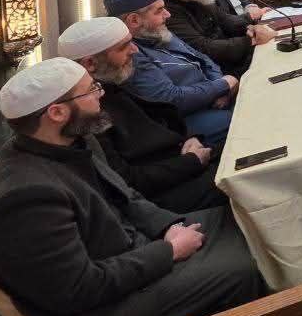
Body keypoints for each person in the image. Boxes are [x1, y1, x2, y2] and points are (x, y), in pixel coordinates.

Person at [0, 59, 264, 316]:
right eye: (91, 90)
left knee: (244, 217)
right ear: (57, 113)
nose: (101, 94)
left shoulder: (75, 139)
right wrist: (168, 251)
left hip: (133, 250)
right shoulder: (26, 196)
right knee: (244, 267)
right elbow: (78, 289)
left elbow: (127, 197)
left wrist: (168, 226)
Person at [57, 18, 225, 214]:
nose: (135, 50)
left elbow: (163, 117)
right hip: (166, 195)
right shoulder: (86, 113)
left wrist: (190, 138)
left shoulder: (115, 79)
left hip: (184, 162)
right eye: (124, 47)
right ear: (90, 63)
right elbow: (127, 181)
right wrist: (192, 161)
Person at [106, 0, 238, 148]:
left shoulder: (156, 31)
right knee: (242, 120)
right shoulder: (131, 55)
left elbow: (204, 60)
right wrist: (222, 85)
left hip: (213, 99)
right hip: (183, 120)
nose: (168, 14)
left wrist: (222, 87)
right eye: (159, 10)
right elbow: (172, 99)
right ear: (134, 20)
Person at [156, 0, 274, 79]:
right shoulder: (164, 13)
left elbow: (224, 19)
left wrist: (251, 27)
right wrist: (251, 40)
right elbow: (203, 48)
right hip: (217, 73)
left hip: (234, 54)